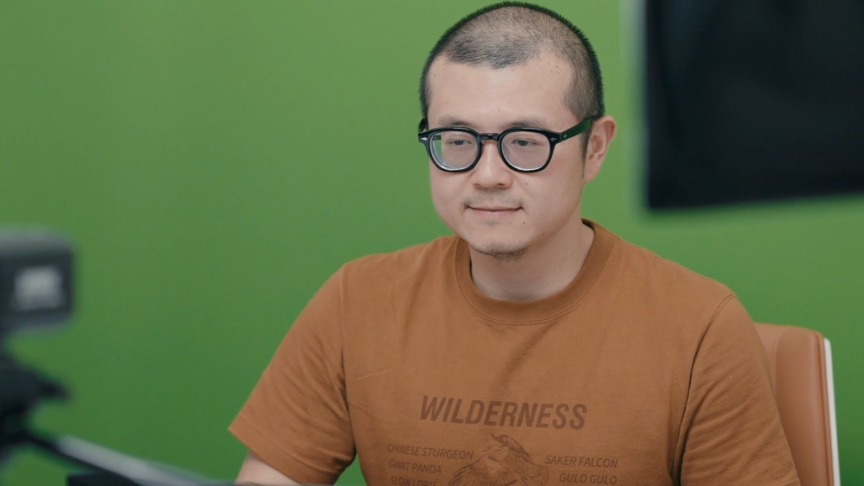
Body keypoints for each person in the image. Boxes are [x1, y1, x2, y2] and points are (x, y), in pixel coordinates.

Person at [230, 2, 800, 485]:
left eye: (525, 141)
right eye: (457, 139)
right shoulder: (357, 301)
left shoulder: (700, 328)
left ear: (594, 148)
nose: (487, 175)